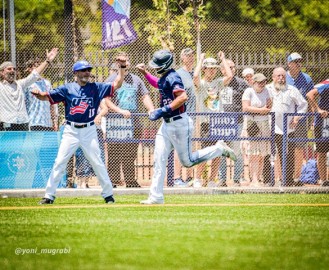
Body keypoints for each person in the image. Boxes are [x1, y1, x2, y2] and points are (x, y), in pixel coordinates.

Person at [136, 49, 236, 204]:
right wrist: (145, 73)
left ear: (166, 65)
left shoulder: (173, 76)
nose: (155, 67)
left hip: (179, 123)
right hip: (166, 125)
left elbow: (183, 97)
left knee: (187, 162)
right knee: (159, 159)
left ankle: (219, 149)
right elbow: (158, 83)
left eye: (157, 65)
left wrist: (163, 110)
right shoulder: (164, 77)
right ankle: (156, 197)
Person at [31, 56, 128, 204]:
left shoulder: (96, 87)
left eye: (88, 70)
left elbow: (117, 83)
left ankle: (108, 195)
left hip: (89, 130)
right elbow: (48, 97)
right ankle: (49, 196)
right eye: (83, 70)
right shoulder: (67, 88)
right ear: (75, 73)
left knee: (97, 162)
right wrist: (39, 95)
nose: (87, 73)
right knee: (60, 162)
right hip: (71, 130)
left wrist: (121, 68)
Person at [104, 52, 154, 188]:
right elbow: (106, 100)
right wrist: (119, 111)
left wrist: (151, 109)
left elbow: (145, 96)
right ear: (116, 63)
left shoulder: (137, 80)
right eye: (120, 61)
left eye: (125, 61)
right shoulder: (111, 79)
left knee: (130, 153)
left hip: (134, 122)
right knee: (114, 152)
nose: (123, 63)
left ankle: (130, 181)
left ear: (129, 63)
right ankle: (112, 181)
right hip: (116, 122)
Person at [192, 52, 233, 187]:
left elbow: (229, 76)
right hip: (206, 122)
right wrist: (201, 60)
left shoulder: (218, 83)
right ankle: (197, 179)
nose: (212, 71)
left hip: (218, 122)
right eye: (209, 68)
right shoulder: (202, 84)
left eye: (214, 68)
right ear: (204, 69)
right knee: (205, 152)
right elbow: (196, 76)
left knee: (217, 152)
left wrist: (223, 59)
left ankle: (211, 180)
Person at [267, 67, 307, 187]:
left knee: (288, 154)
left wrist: (296, 117)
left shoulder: (291, 89)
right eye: (278, 76)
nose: (281, 78)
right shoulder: (267, 89)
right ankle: (270, 180)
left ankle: (288, 180)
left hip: (288, 128)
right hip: (271, 127)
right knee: (271, 154)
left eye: (283, 76)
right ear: (273, 77)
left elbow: (303, 104)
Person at [0, 48, 58, 131]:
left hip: (23, 124)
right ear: (2, 72)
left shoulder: (20, 84)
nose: (12, 70)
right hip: (7, 123)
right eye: (9, 69)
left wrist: (47, 61)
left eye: (14, 69)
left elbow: (34, 75)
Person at [219, 59, 249, 186]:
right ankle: (222, 179)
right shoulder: (218, 83)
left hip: (237, 121)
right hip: (221, 122)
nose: (232, 69)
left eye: (233, 67)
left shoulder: (242, 84)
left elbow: (247, 101)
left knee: (236, 151)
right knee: (221, 151)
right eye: (228, 67)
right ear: (222, 69)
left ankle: (236, 178)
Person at [286, 52, 314, 182]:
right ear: (289, 63)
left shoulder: (307, 79)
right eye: (295, 61)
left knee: (299, 148)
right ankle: (284, 178)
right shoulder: (283, 77)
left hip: (301, 119)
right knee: (284, 148)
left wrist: (312, 119)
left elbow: (311, 99)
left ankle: (296, 178)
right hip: (285, 120)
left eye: (300, 61)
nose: (298, 64)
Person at [242, 73, 272, 186]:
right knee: (254, 152)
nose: (262, 84)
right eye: (259, 82)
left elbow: (269, 106)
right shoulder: (248, 91)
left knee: (262, 153)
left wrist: (262, 110)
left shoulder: (266, 91)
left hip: (264, 123)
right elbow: (245, 108)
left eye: (263, 82)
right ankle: (254, 179)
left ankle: (258, 178)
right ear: (253, 83)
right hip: (252, 123)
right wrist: (260, 110)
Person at [173, 48, 197, 187]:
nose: (190, 57)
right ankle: (177, 177)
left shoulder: (194, 73)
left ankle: (188, 177)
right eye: (187, 55)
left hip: (195, 115)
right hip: (183, 114)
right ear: (182, 58)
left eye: (192, 55)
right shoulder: (178, 74)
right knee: (180, 147)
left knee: (191, 147)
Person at [24, 58, 58, 131]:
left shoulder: (47, 83)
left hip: (47, 123)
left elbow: (52, 103)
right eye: (36, 66)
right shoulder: (27, 84)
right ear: (30, 69)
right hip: (33, 122)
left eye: (40, 65)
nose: (40, 68)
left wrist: (54, 121)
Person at [306, 79, 329, 186]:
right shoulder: (327, 83)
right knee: (322, 151)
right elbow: (310, 94)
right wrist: (318, 110)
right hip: (324, 122)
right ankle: (324, 181)